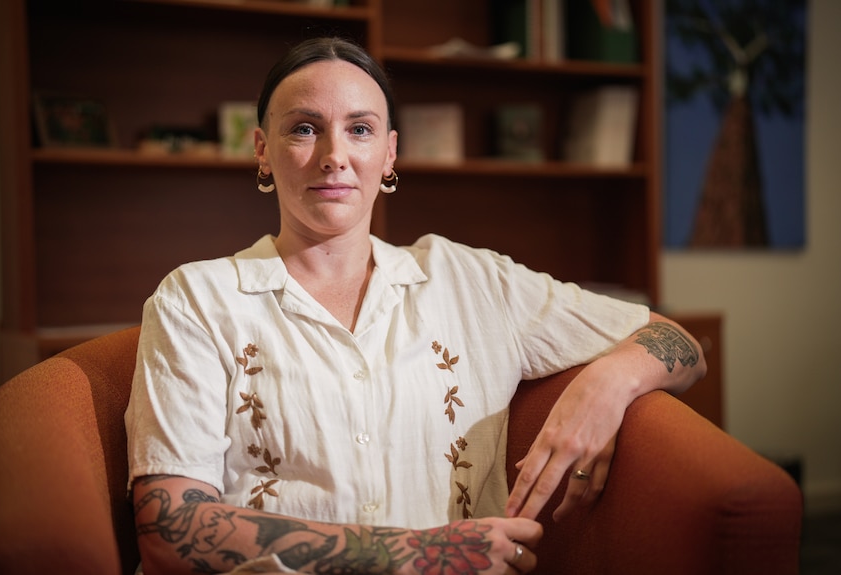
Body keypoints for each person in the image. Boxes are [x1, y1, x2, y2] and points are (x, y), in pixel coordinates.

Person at [125, 37, 706, 575]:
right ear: (261, 150)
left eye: (360, 129)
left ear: (389, 153)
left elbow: (680, 345)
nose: (334, 156)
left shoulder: (473, 280)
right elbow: (168, 530)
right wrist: (416, 552)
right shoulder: (196, 299)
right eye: (305, 128)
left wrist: (603, 389)